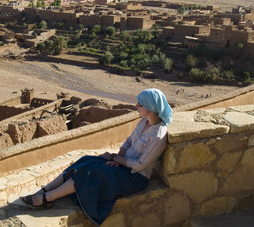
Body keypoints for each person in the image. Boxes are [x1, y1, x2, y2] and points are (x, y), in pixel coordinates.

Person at [21, 88, 173, 226]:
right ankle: (43, 191)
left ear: (150, 107)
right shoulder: (143, 122)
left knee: (92, 171)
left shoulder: (158, 135)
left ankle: (46, 198)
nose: (136, 106)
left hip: (135, 177)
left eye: (140, 104)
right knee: (86, 160)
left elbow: (140, 165)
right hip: (123, 165)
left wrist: (115, 160)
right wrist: (116, 158)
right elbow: (128, 142)